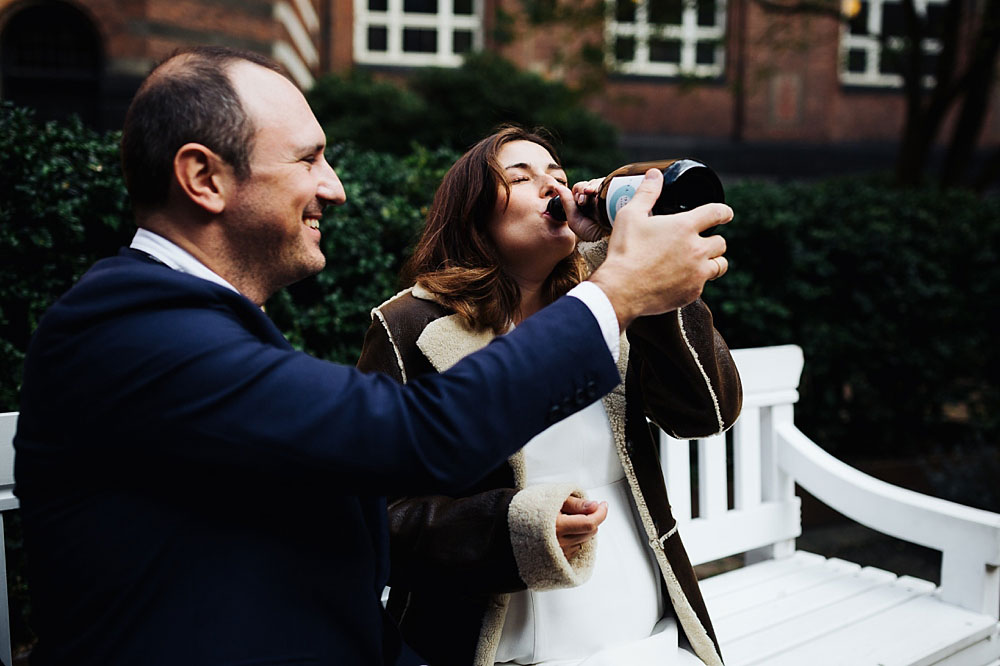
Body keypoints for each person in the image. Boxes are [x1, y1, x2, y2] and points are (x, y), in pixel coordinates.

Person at [13, 47, 734, 666]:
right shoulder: (132, 327)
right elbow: (412, 435)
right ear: (204, 178)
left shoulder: (204, 326)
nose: (337, 187)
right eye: (309, 159)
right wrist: (614, 292)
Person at [357, 127, 742, 666]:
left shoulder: (612, 304)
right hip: (490, 630)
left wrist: (649, 280)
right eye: (521, 177)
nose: (552, 186)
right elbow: (377, 515)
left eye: (558, 177)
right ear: (472, 212)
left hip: (638, 607)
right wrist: (517, 527)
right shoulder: (409, 324)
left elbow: (708, 413)